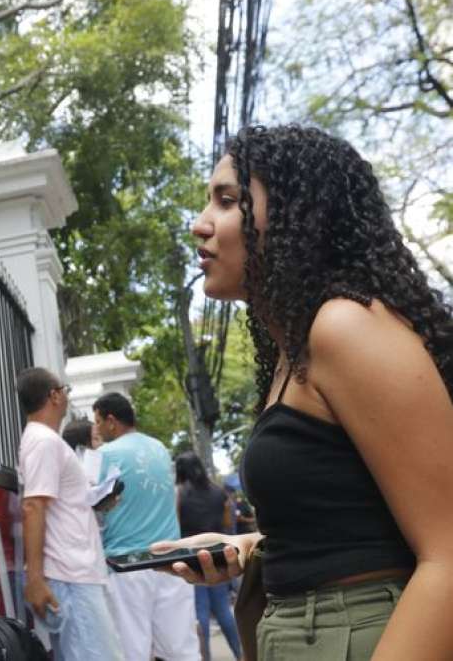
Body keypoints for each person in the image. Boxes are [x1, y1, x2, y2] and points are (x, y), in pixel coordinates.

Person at [154, 124, 453, 658]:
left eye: (226, 200)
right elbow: (350, 522)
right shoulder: (293, 352)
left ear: (297, 216)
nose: (200, 225)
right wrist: (245, 547)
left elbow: (448, 553)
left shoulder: (344, 326)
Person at [16, 368, 124, 661]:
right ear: (54, 395)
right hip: (70, 574)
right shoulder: (43, 441)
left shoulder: (46, 440)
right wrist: (35, 579)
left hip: (77, 571)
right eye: (65, 390)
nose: (66, 396)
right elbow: (33, 506)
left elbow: (57, 504)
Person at [92, 392, 200, 661]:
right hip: (171, 559)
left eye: (98, 422)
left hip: (126, 562)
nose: (97, 430)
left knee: (131, 650)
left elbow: (87, 506)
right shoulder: (160, 449)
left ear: (111, 421)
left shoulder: (103, 455)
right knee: (181, 649)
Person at [175, 452, 242, 661]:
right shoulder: (218, 492)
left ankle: (205, 657)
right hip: (217, 554)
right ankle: (241, 654)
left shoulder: (179, 494)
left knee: (200, 612)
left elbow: (176, 526)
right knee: (223, 609)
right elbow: (229, 524)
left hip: (191, 557)